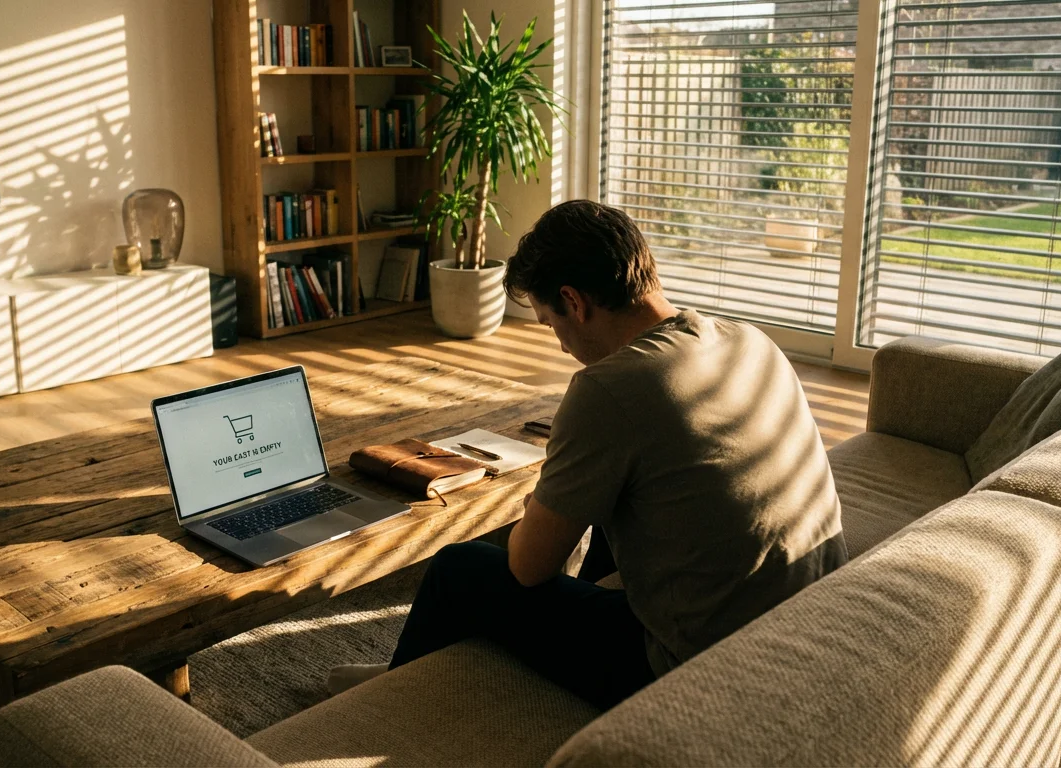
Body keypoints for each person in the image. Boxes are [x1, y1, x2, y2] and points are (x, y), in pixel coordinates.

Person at [329, 200, 847, 709]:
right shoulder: (749, 338)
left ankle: (392, 692)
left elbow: (528, 569)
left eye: (549, 323)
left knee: (458, 567)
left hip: (703, 669)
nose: (558, 344)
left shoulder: (609, 389)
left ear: (573, 302)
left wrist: (539, 509)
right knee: (612, 505)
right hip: (804, 617)